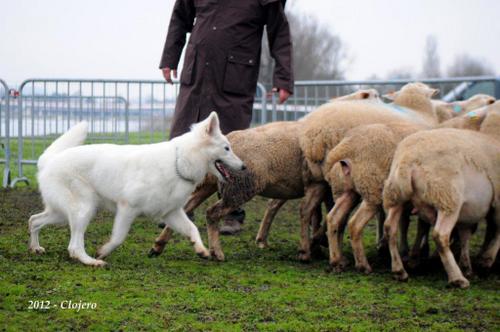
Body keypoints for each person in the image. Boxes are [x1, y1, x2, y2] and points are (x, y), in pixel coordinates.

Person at [159, 0, 294, 234]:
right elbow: (180, 18)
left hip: (234, 78)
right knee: (183, 142)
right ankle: (176, 207)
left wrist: (283, 78)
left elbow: (279, 32)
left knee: (230, 146)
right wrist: (170, 58)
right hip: (198, 75)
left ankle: (232, 211)